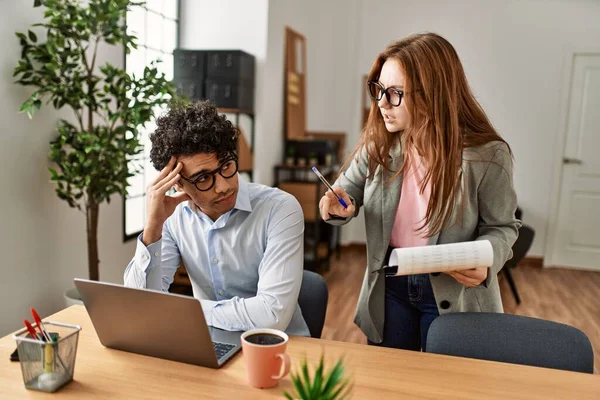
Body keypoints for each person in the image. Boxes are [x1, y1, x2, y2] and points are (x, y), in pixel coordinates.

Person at [319, 33, 521, 350]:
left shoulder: (486, 155)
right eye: (379, 90)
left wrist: (487, 259)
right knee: (389, 385)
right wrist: (335, 203)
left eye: (396, 93)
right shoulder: (379, 144)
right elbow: (348, 191)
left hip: (454, 292)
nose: (382, 103)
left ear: (433, 94)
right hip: (390, 287)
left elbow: (502, 228)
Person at [124, 100, 310, 336]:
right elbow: (141, 304)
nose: (223, 186)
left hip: (279, 347)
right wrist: (153, 227)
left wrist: (184, 311)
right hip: (208, 341)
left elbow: (272, 316)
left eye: (226, 166)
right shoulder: (173, 218)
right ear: (177, 183)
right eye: (203, 178)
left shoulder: (280, 209)